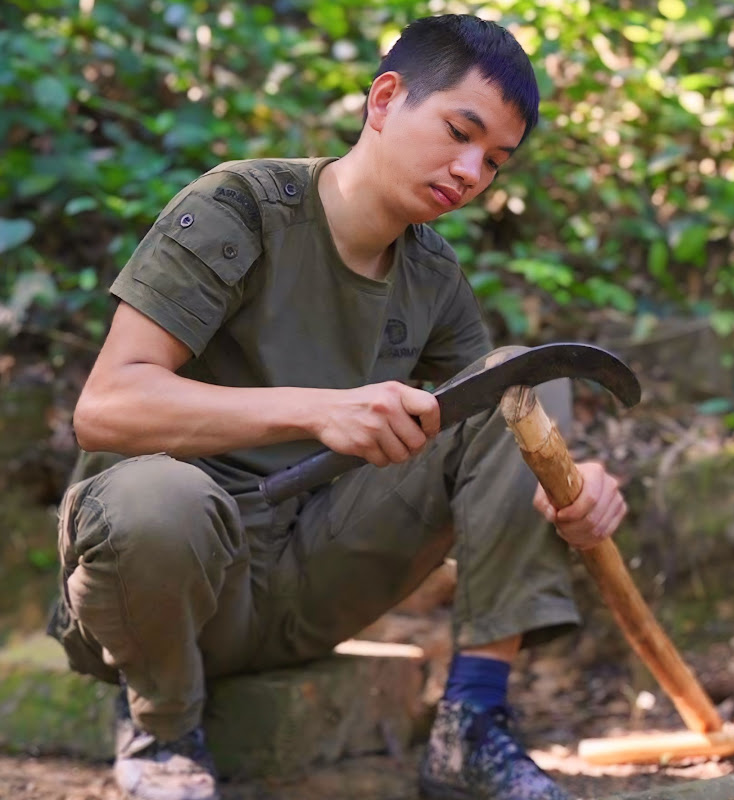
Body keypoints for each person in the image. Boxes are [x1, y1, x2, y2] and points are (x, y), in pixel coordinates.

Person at [48, 14, 627, 800]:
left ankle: (473, 724)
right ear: (385, 98)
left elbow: (494, 435)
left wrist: (572, 485)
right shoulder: (241, 207)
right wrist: (319, 410)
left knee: (519, 381)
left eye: (494, 162)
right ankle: (163, 729)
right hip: (164, 585)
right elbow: (108, 406)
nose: (470, 171)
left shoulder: (431, 273)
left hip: (307, 586)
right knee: (160, 500)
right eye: (460, 132)